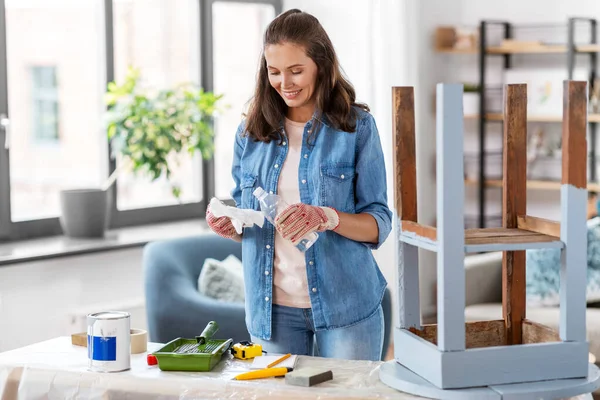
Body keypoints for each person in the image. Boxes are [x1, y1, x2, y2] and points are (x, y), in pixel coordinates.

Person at [205, 9, 392, 361]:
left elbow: (379, 222)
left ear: (320, 63)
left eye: (296, 70)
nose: (284, 83)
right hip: (273, 312)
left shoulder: (356, 128)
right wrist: (233, 225)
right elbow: (252, 217)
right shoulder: (250, 133)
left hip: (346, 305)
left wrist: (326, 217)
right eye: (274, 72)